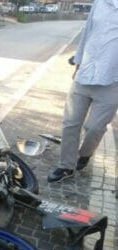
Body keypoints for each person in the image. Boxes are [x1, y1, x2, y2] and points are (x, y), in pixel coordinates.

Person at [48, 0, 118, 182]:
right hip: (85, 74)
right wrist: (78, 64)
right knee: (70, 122)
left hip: (112, 81)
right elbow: (87, 32)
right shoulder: (101, 3)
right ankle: (66, 166)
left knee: (94, 127)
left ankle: (86, 153)